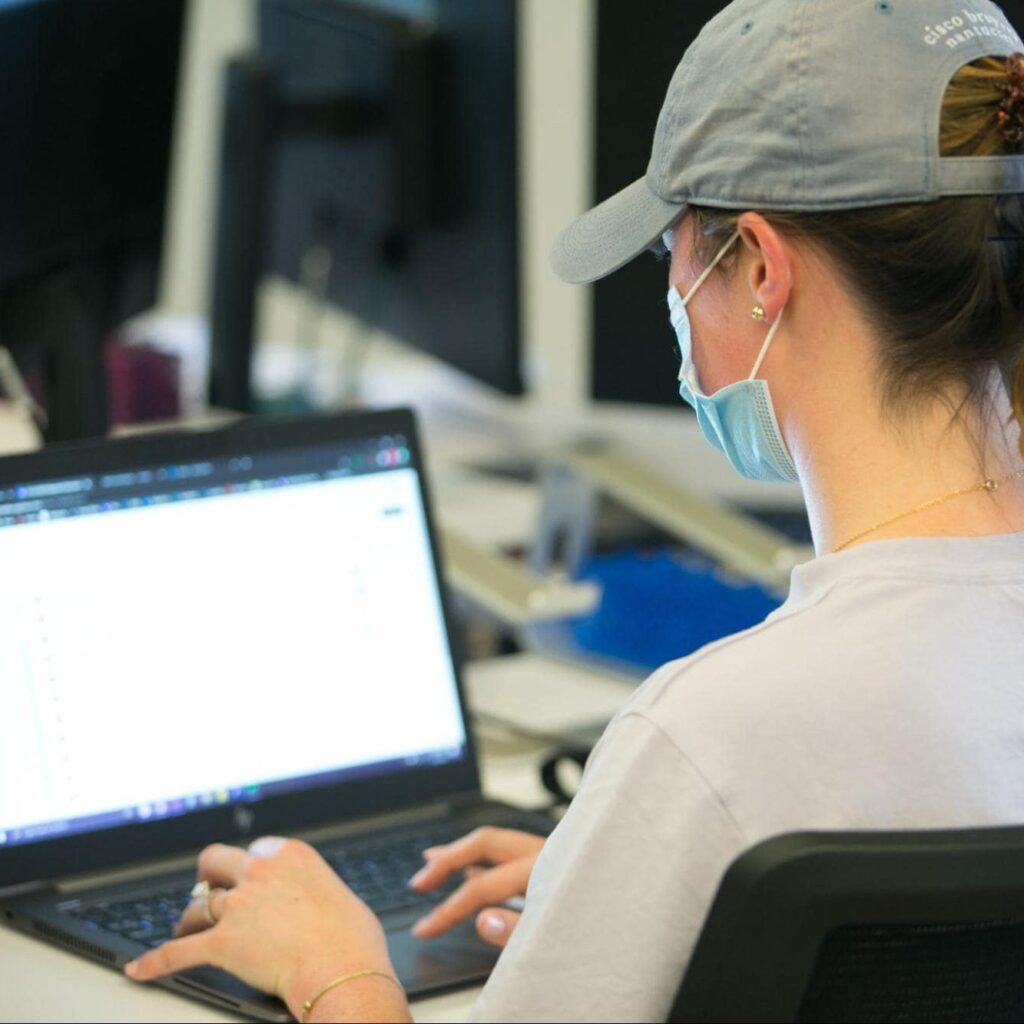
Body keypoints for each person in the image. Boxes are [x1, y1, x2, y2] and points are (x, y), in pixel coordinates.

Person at [125, 0, 1024, 1020]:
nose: (675, 294)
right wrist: (631, 867)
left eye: (673, 254)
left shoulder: (709, 739)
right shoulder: (722, 770)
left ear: (764, 270)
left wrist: (341, 970)